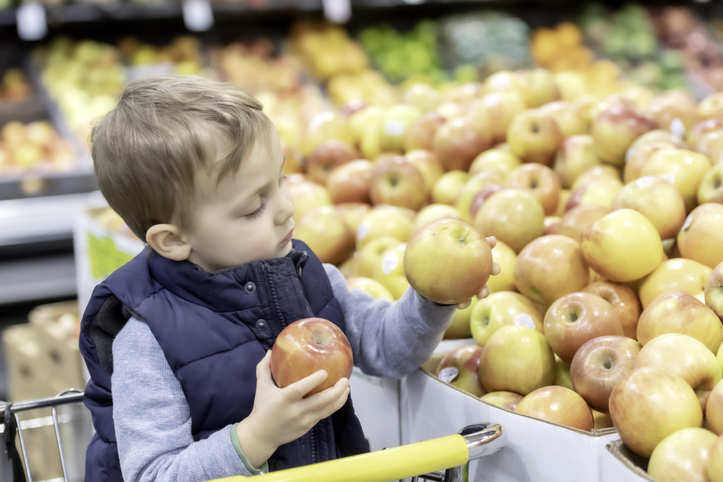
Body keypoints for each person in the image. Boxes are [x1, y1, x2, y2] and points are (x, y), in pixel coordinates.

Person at [78, 74, 498, 482]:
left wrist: (435, 294)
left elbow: (386, 350)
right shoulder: (147, 339)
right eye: (253, 207)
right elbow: (153, 474)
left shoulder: (307, 278)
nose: (285, 208)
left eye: (281, 179)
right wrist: (257, 436)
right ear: (173, 240)